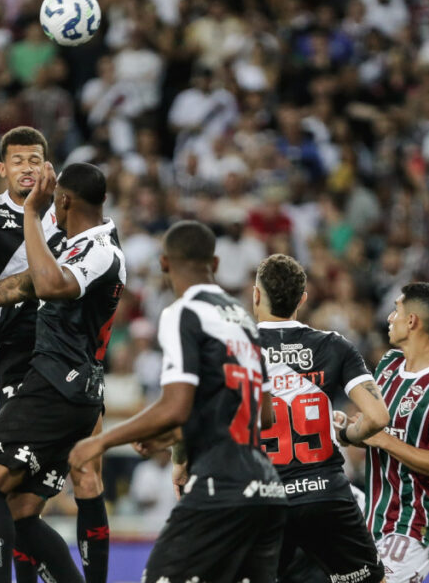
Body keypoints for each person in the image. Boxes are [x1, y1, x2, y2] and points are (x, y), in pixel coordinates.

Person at [0, 162, 124, 583]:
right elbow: (24, 285)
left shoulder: (103, 250)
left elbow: (50, 285)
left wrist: (32, 215)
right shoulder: (79, 245)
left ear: (64, 200)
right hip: (69, 394)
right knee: (19, 512)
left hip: (56, 388)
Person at [69, 220, 287, 583]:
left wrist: (100, 441)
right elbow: (262, 414)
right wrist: (173, 437)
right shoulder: (244, 320)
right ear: (215, 264)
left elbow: (175, 405)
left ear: (165, 263)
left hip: (221, 487)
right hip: (266, 490)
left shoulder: (183, 312)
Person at [252, 253, 388, 583]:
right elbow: (378, 416)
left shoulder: (237, 349)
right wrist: (348, 435)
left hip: (265, 499)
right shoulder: (333, 345)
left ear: (256, 295)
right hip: (325, 492)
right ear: (303, 299)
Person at [354, 283, 429, 583]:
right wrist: (347, 429)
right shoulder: (389, 364)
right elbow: (370, 432)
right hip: (375, 514)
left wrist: (385, 440)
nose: (389, 317)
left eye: (396, 310)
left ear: (412, 321)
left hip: (414, 524)